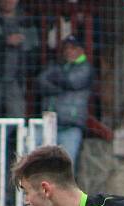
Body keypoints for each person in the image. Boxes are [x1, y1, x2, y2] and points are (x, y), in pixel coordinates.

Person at [37, 35, 94, 171]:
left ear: (81, 50)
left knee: (66, 169)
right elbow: (41, 82)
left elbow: (71, 82)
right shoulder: (57, 65)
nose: (69, 51)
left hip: (71, 125)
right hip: (50, 123)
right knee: (38, 166)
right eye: (66, 48)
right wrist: (60, 86)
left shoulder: (86, 68)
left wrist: (55, 79)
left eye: (73, 48)